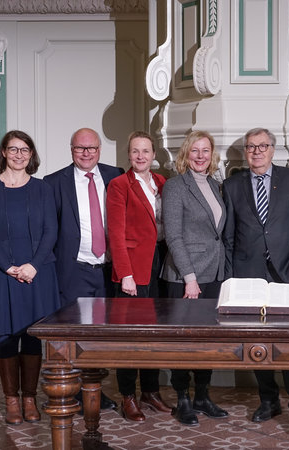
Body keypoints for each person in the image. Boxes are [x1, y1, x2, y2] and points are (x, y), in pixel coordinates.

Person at [223, 127, 289, 436]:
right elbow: (230, 235)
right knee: (256, 343)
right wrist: (232, 276)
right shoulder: (232, 185)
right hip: (248, 274)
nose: (257, 151)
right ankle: (269, 400)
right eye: (251, 147)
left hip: (288, 272)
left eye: (263, 146)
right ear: (245, 152)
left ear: (273, 150)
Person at [0, 130, 61, 425]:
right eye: (13, 149)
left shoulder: (43, 188)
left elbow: (51, 230)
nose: (19, 155)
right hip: (2, 274)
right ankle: (12, 400)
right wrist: (8, 267)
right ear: (2, 153)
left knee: (34, 337)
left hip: (39, 272)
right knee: (8, 337)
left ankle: (29, 397)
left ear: (32, 155)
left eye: (25, 150)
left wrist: (33, 265)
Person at [44, 127, 122, 412]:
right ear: (71, 149)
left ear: (100, 149)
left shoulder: (116, 175)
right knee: (73, 333)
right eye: (80, 148)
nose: (86, 153)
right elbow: (49, 230)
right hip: (73, 268)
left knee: (100, 336)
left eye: (91, 148)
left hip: (108, 268)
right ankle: (71, 390)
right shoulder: (54, 182)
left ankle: (95, 391)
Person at [161, 130, 229, 426]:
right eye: (195, 151)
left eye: (205, 151)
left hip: (214, 273)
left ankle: (202, 395)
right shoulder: (176, 187)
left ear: (212, 155)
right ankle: (183, 400)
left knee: (208, 340)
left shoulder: (215, 185)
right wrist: (189, 277)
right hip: (185, 276)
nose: (200, 156)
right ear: (185, 155)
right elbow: (174, 236)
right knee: (184, 342)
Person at [106, 131, 173, 422]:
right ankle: (128, 396)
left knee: (153, 333)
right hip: (134, 268)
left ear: (154, 154)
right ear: (129, 154)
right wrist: (126, 274)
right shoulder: (119, 185)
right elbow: (116, 235)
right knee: (130, 335)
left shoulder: (162, 183)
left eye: (146, 151)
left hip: (160, 263)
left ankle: (150, 391)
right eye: (135, 151)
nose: (141, 156)